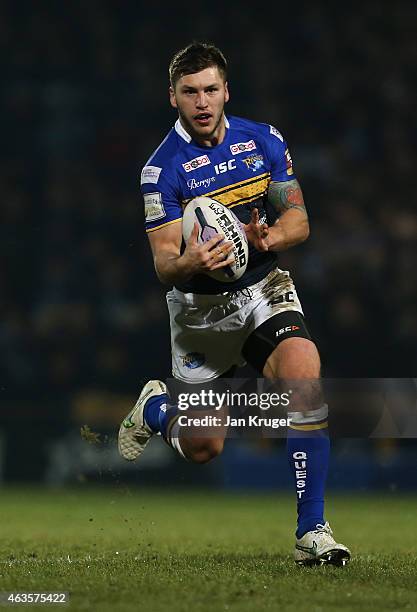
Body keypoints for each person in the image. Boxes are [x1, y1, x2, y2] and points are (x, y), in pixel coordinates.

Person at [119, 42, 350, 566]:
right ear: (173, 98)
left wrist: (266, 240)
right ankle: (156, 408)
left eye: (210, 90)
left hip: (263, 289)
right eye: (189, 92)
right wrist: (192, 257)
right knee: (204, 448)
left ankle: (311, 530)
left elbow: (299, 221)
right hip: (200, 315)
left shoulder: (263, 140)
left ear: (226, 91)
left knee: (303, 372)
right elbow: (163, 265)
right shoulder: (161, 172)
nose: (202, 102)